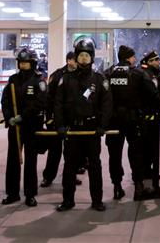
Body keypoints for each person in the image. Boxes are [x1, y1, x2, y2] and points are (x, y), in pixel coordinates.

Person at [53, 37, 112, 212]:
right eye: (81, 55)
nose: (84, 58)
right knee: (69, 166)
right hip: (72, 131)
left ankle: (97, 201)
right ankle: (68, 200)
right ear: (76, 57)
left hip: (92, 131)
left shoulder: (100, 80)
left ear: (92, 57)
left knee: (95, 166)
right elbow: (58, 104)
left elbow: (107, 104)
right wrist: (60, 125)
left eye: (87, 55)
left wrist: (103, 125)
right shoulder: (66, 79)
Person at [105, 45, 158, 201]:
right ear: (128, 58)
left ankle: (117, 187)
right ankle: (139, 187)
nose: (135, 59)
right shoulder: (138, 73)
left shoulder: (108, 73)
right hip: (133, 120)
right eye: (133, 57)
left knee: (114, 154)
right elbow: (152, 93)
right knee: (136, 153)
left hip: (113, 121)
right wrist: (159, 110)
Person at [1, 47, 46, 207]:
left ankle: (30, 194)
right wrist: (9, 117)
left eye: (26, 62)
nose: (23, 65)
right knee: (12, 160)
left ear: (33, 63)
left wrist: (23, 116)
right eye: (21, 62)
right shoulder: (13, 80)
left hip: (31, 126)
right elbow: (5, 100)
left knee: (30, 161)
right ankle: (12, 193)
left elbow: (40, 102)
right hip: (15, 127)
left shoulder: (39, 80)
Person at [40, 51, 79, 188]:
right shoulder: (57, 76)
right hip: (57, 119)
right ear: (69, 61)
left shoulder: (79, 75)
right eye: (75, 59)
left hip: (72, 119)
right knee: (54, 151)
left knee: (72, 152)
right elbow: (49, 99)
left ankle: (71, 176)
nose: (78, 62)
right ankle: (48, 177)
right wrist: (49, 118)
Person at [139, 50, 160, 199]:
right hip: (148, 117)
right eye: (154, 60)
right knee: (147, 146)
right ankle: (144, 171)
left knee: (150, 147)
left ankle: (147, 170)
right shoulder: (147, 75)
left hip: (153, 115)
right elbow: (154, 95)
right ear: (148, 62)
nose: (157, 62)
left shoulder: (155, 74)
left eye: (158, 60)